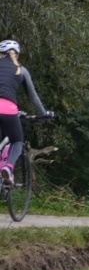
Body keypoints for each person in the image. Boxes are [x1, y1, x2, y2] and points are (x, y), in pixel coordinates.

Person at [0, 40, 53, 185]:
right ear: (16, 55)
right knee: (17, 140)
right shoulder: (21, 70)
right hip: (8, 109)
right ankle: (8, 168)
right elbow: (33, 97)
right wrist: (44, 113)